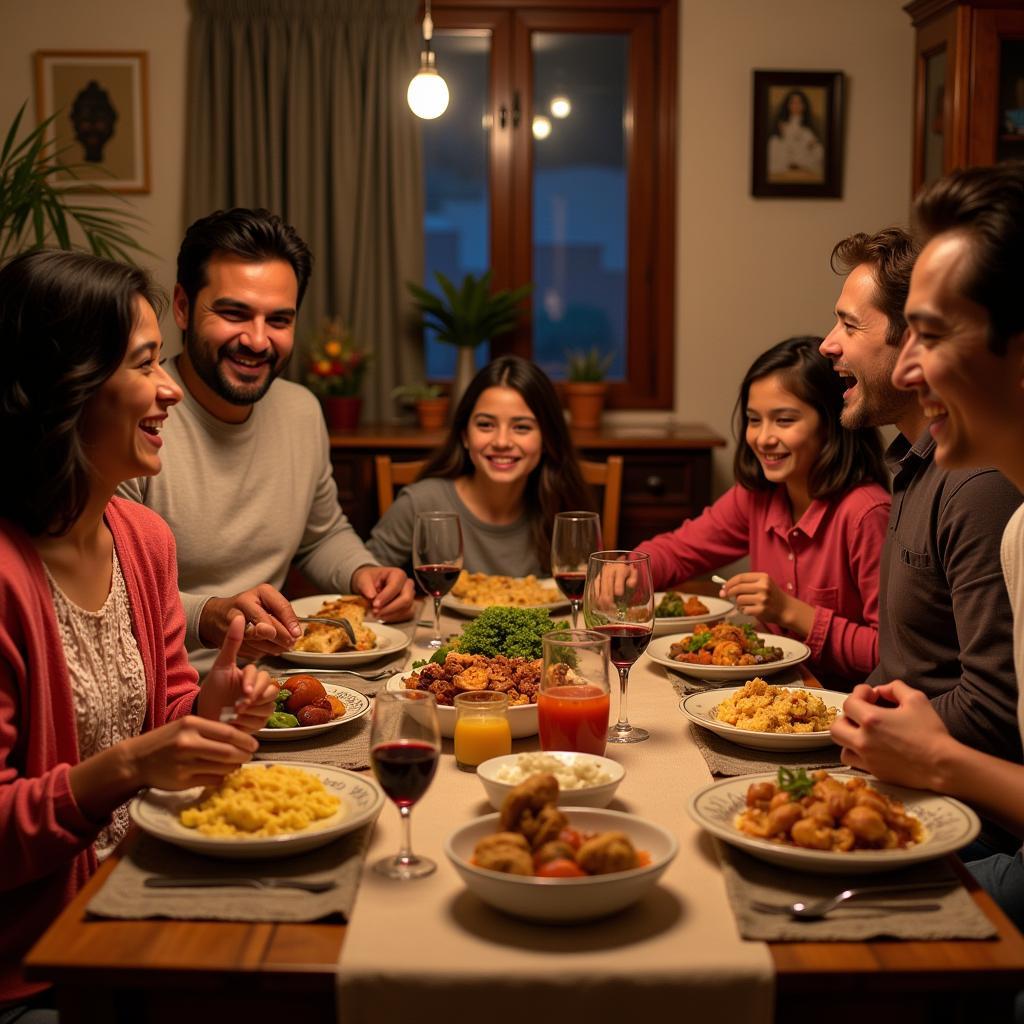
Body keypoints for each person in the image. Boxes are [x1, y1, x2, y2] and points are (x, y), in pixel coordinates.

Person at [0, 249, 278, 1010]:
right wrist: (122, 768)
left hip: (146, 901)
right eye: (144, 364)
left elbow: (167, 732)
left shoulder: (143, 538)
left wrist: (212, 709)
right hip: (41, 970)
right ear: (69, 388)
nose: (169, 392)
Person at [831, 163, 1024, 928]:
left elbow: (988, 714)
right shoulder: (1017, 529)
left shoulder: (985, 499)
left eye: (932, 335)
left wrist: (933, 758)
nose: (910, 368)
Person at [118, 208, 414, 673]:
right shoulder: (136, 418)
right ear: (182, 306)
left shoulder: (301, 411)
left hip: (279, 674)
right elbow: (111, 591)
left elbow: (321, 536)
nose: (257, 341)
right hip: (168, 682)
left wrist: (364, 571)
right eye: (235, 313)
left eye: (279, 320)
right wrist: (210, 614)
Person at [819, 228, 1022, 765]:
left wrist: (864, 726)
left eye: (849, 324)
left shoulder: (978, 486)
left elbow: (996, 709)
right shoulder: (912, 461)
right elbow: (911, 670)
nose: (827, 343)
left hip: (962, 808)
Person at [634, 336, 890, 690]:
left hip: (846, 711)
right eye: (755, 420)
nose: (763, 438)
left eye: (784, 420)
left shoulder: (867, 513)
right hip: (773, 688)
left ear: (832, 422)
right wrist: (628, 570)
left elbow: (888, 654)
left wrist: (790, 612)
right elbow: (679, 551)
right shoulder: (757, 497)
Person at [367, 355, 596, 576]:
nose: (502, 442)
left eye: (522, 427)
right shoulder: (420, 504)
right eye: (486, 425)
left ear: (547, 439)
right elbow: (368, 582)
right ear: (465, 435)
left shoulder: (564, 507)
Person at [767, 88, 824, 180]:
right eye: (793, 103)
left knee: (818, 150)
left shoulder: (808, 125)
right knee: (774, 143)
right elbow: (783, 139)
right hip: (787, 148)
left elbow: (811, 140)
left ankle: (799, 164)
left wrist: (809, 142)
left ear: (804, 105)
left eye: (799, 103)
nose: (796, 106)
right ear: (788, 105)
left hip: (803, 148)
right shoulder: (782, 123)